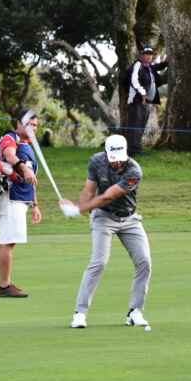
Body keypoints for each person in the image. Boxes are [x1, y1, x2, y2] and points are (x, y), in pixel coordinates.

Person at [60, 134, 152, 329]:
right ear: (107, 153)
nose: (116, 163)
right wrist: (81, 206)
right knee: (98, 262)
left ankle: (135, 312)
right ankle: (80, 313)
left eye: (119, 159)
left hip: (129, 219)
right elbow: (89, 190)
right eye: (113, 159)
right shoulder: (96, 161)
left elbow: (108, 196)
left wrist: (77, 209)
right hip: (103, 217)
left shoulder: (134, 171)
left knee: (144, 262)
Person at [0, 109, 41, 297]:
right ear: (19, 124)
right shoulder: (11, 138)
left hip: (21, 199)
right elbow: (10, 155)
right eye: (30, 124)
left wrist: (34, 205)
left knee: (6, 240)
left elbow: (31, 177)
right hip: (10, 196)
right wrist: (23, 169)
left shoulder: (27, 144)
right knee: (8, 241)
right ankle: (4, 286)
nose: (33, 128)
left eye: (35, 125)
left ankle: (4, 284)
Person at [125, 45, 168, 156]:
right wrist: (143, 93)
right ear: (142, 55)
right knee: (135, 125)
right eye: (146, 54)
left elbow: (158, 66)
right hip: (136, 101)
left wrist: (167, 62)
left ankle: (136, 149)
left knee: (141, 125)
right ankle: (133, 151)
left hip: (146, 102)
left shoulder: (148, 67)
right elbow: (134, 81)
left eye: (150, 55)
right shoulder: (138, 65)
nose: (149, 56)